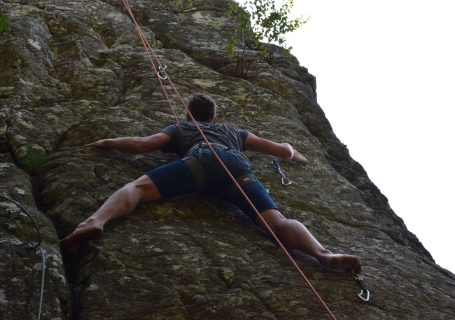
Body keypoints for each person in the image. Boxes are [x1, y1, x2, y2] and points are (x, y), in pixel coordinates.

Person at [61, 94, 362, 274]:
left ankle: (94, 221)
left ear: (189, 114)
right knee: (277, 222)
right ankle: (323, 254)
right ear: (214, 117)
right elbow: (281, 148)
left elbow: (142, 145)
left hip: (201, 163)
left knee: (137, 188)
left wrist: (106, 141)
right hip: (237, 169)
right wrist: (295, 154)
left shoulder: (181, 127)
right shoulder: (233, 131)